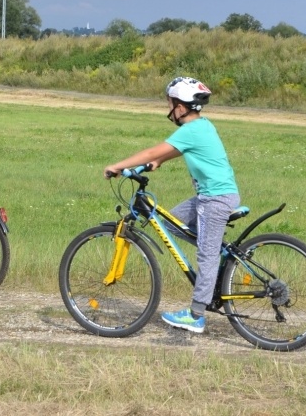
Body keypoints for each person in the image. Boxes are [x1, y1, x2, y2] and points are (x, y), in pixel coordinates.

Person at [103, 76, 240, 334]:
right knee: (169, 224)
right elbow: (176, 150)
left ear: (180, 106)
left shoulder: (190, 130)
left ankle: (197, 314)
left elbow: (152, 151)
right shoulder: (202, 126)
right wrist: (161, 162)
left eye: (170, 103)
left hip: (215, 200)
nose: (169, 108)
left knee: (206, 255)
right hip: (211, 197)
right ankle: (218, 257)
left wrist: (119, 165)